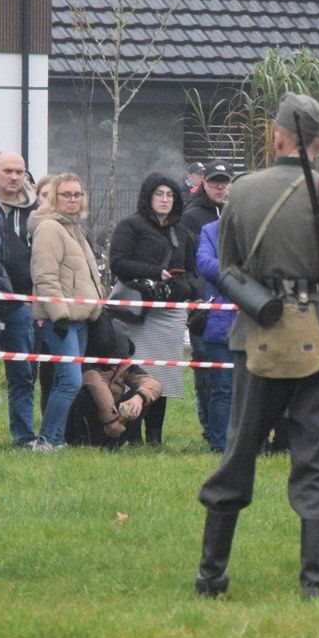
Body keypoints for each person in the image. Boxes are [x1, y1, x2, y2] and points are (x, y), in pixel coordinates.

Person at [196, 93, 319, 599]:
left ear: (277, 136)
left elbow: (228, 267)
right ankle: (313, 584)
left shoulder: (242, 190)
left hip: (255, 335)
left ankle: (210, 576)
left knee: (238, 451)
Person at [109, 172, 197, 445]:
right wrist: (153, 272)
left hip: (170, 313)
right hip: (138, 313)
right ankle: (131, 435)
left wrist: (183, 288)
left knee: (163, 375)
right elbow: (118, 263)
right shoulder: (130, 225)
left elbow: (192, 271)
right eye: (159, 194)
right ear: (148, 196)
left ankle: (155, 437)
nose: (165, 199)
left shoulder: (181, 231)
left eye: (170, 195)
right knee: (137, 375)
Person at [29, 173, 106, 449]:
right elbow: (45, 276)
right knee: (70, 381)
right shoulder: (49, 228)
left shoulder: (73, 228)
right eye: (67, 194)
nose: (73, 199)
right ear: (54, 198)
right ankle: (48, 440)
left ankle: (54, 438)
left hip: (81, 317)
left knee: (66, 381)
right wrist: (58, 314)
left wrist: (97, 306)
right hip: (61, 319)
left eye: (77, 194)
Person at [0, 151, 41, 444]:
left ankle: (23, 436)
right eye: (8, 171)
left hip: (21, 301)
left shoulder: (35, 208)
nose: (14, 177)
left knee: (23, 373)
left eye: (19, 172)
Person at [65, 314, 164, 448]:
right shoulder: (86, 365)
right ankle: (82, 442)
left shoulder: (125, 365)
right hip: (83, 424)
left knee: (143, 396)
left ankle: (113, 444)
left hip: (114, 424)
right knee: (87, 394)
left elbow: (154, 384)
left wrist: (138, 398)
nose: (114, 367)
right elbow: (98, 387)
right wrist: (111, 421)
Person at [190, 215, 237, 452]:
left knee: (254, 392)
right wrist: (241, 272)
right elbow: (204, 263)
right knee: (222, 389)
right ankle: (220, 445)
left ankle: (255, 444)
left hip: (256, 323)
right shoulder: (211, 230)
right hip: (221, 324)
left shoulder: (260, 226)